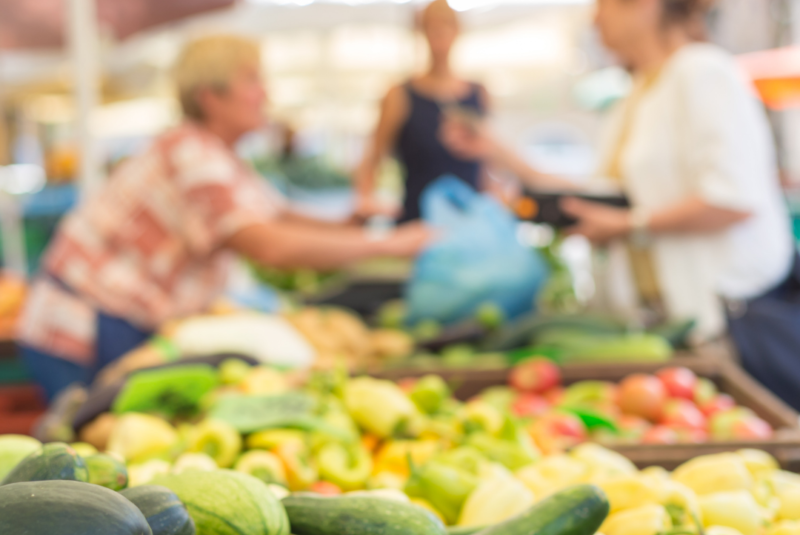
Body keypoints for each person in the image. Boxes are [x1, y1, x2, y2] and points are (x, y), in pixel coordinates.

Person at [16, 35, 431, 402]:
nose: (264, 93)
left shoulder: (220, 157)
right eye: (250, 80)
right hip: (81, 327)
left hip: (122, 320)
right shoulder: (191, 154)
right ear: (209, 96)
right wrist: (389, 245)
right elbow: (270, 245)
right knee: (88, 455)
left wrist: (350, 223)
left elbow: (278, 215)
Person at [443, 0, 795, 348]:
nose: (594, 16)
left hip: (731, 326)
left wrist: (629, 224)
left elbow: (732, 198)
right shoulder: (636, 94)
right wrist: (498, 152)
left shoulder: (703, 70)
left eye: (603, 4)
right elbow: (601, 194)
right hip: (668, 328)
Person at [355, 0, 491, 223]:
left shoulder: (478, 93)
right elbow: (372, 158)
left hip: (470, 223)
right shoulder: (400, 95)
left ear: (457, 30)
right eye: (432, 26)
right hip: (417, 224)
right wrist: (365, 200)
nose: (440, 33)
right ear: (421, 30)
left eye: (446, 25)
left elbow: (486, 166)